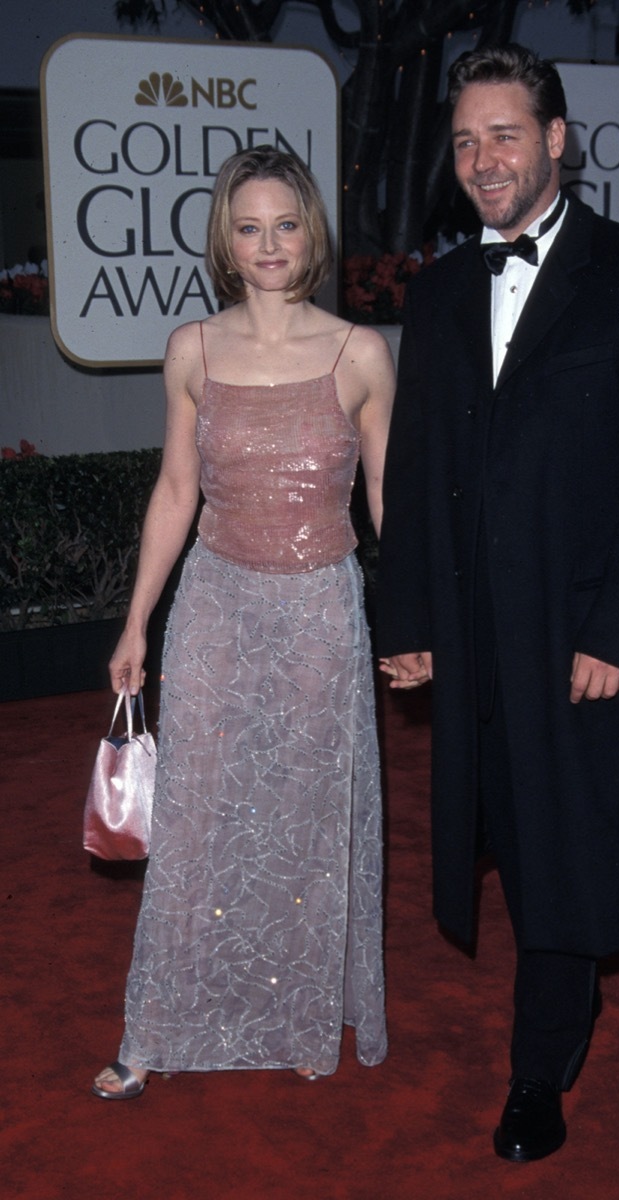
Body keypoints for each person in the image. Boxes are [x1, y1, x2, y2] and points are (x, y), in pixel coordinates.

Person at [376, 45, 619, 1163]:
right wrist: (408, 618)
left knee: (566, 847)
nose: (481, 161)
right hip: (474, 632)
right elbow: (412, 469)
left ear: (556, 139)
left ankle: (539, 1066)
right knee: (506, 830)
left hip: (576, 633)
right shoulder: (435, 294)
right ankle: (550, 994)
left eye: (503, 135)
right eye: (464, 142)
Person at [92, 146, 394, 1099]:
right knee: (196, 818)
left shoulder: (360, 353)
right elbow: (177, 490)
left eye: (287, 224)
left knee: (305, 819)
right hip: (216, 606)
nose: (269, 245)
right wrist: (136, 620)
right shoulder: (194, 348)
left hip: (318, 614)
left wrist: (421, 623)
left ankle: (302, 1011)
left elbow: (387, 499)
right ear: (227, 239)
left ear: (312, 233)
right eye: (250, 227)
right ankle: (157, 1030)